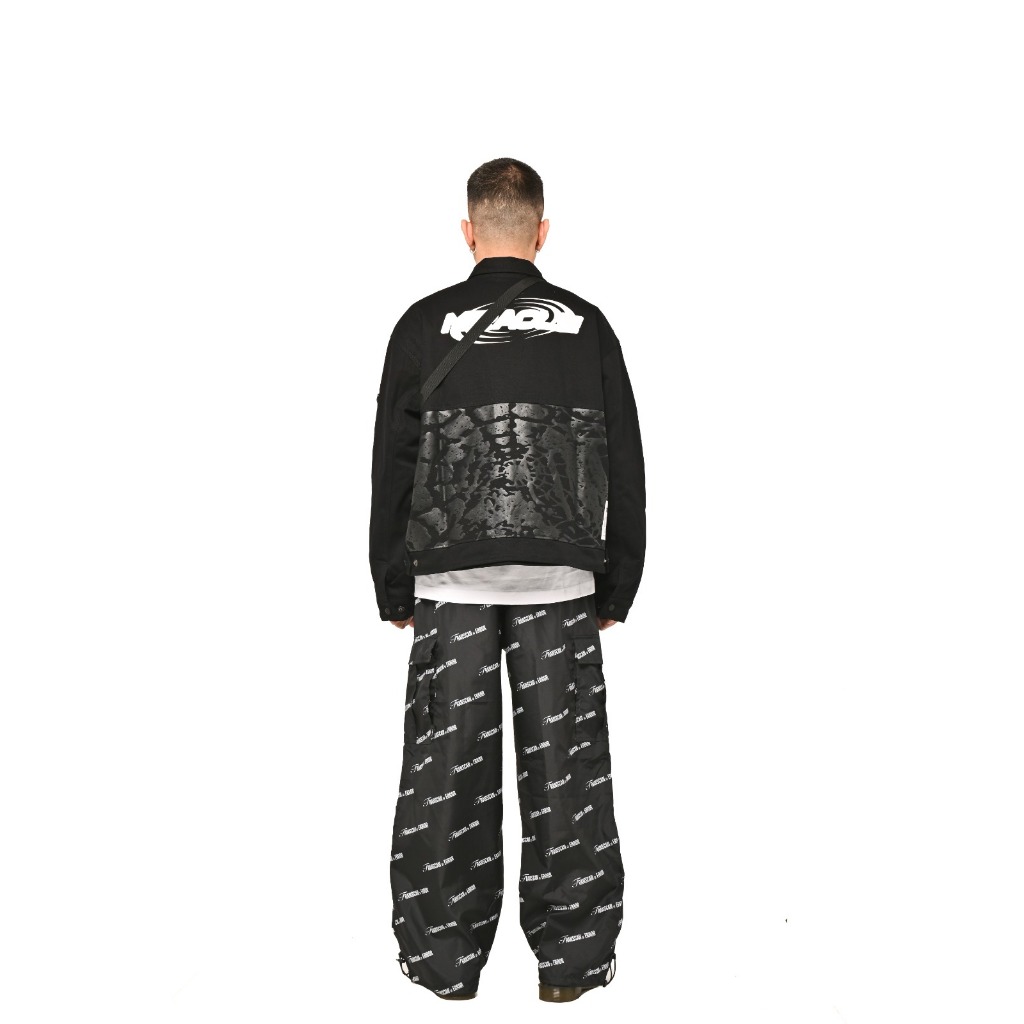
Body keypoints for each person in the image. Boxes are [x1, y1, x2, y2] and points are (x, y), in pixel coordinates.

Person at [369, 157, 646, 1002]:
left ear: (468, 232)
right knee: (569, 775)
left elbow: (394, 459)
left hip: (450, 586)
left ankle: (445, 968)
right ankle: (570, 968)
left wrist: (392, 581)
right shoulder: (589, 326)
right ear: (542, 231)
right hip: (559, 584)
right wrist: (618, 581)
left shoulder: (422, 325)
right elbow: (626, 459)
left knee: (445, 779)